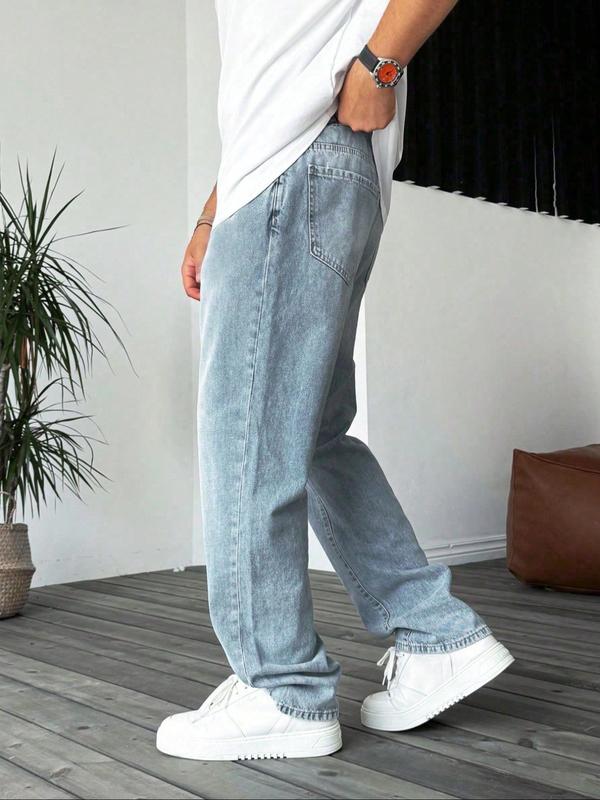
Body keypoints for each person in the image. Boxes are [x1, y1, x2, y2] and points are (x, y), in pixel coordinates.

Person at [157, 0, 513, 761]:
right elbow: (268, 72)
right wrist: (214, 212)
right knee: (306, 430)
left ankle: (281, 690)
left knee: (248, 435)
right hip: (301, 169)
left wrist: (381, 65)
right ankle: (435, 634)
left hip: (297, 164)